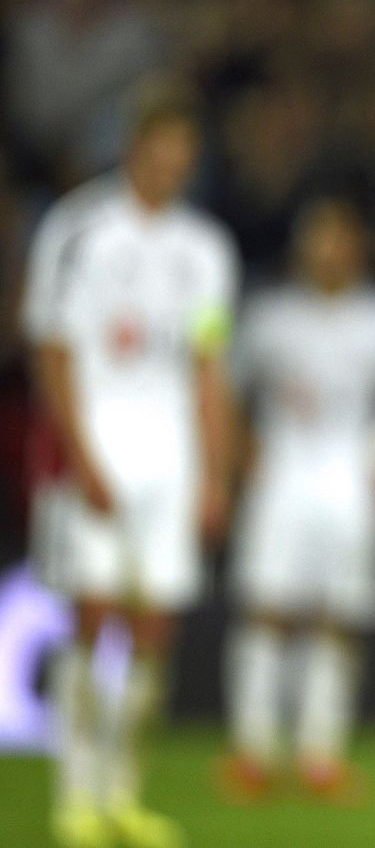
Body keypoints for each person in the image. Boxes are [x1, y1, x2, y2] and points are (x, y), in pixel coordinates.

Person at [25, 78, 238, 848]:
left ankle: (122, 791)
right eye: (159, 152)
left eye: (183, 156)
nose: (170, 168)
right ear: (134, 149)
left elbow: (208, 365)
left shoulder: (204, 250)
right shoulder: (79, 230)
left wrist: (213, 473)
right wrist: (80, 456)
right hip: (98, 442)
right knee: (91, 617)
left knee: (153, 628)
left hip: (170, 456)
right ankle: (74, 795)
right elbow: (51, 351)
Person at [220, 198, 375, 804]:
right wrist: (240, 457)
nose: (328, 249)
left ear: (357, 247)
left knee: (339, 619)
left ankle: (320, 755)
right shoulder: (270, 315)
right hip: (281, 477)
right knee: (267, 609)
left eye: (339, 237)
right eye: (318, 236)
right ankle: (253, 752)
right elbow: (227, 388)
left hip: (350, 481)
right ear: (302, 245)